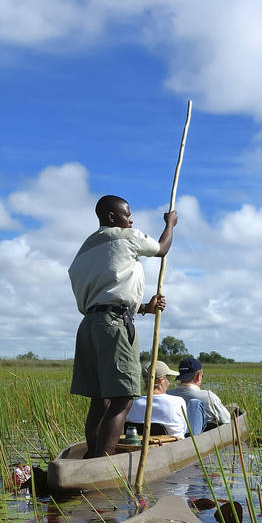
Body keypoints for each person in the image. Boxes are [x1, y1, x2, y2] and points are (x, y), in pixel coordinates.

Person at [69, 194, 177, 459]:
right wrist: (171, 223)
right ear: (111, 217)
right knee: (122, 398)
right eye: (128, 215)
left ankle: (92, 456)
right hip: (114, 326)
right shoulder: (126, 237)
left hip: (89, 325)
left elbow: (104, 293)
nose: (131, 220)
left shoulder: (85, 249)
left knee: (100, 398)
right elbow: (162, 248)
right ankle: (102, 463)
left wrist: (143, 308)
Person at [126, 360, 189, 438]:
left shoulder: (133, 404)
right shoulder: (178, 401)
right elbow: (184, 429)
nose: (169, 382)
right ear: (160, 381)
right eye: (168, 379)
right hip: (173, 447)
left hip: (139, 446)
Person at [168, 355, 231, 430]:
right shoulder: (208, 397)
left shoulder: (167, 394)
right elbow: (226, 419)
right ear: (198, 376)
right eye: (202, 376)